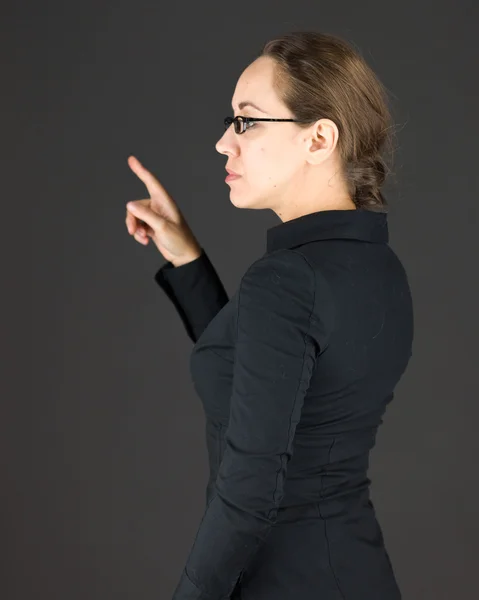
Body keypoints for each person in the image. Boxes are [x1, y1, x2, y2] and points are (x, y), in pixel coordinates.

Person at [125, 31, 414, 600]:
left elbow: (248, 489)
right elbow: (258, 372)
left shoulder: (287, 280)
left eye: (246, 121)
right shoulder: (377, 266)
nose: (222, 143)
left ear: (319, 138)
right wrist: (187, 257)